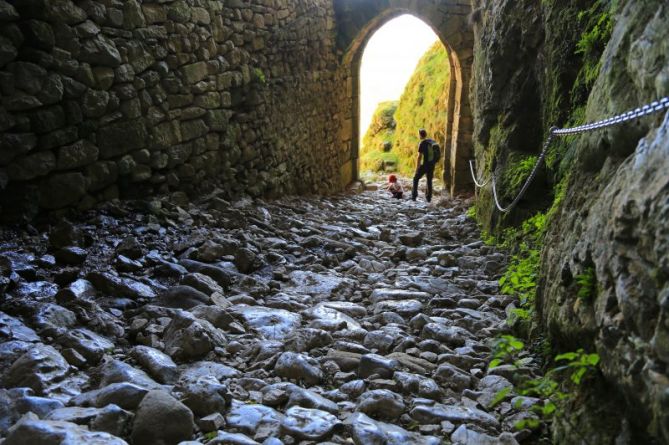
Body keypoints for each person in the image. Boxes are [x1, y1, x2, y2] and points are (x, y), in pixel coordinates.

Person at [411, 128, 439, 202]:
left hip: (426, 164)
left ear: (420, 135)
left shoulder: (422, 143)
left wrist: (417, 168)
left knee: (415, 178)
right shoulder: (432, 141)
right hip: (432, 164)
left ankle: (414, 196)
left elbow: (419, 157)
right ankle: (428, 198)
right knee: (429, 180)